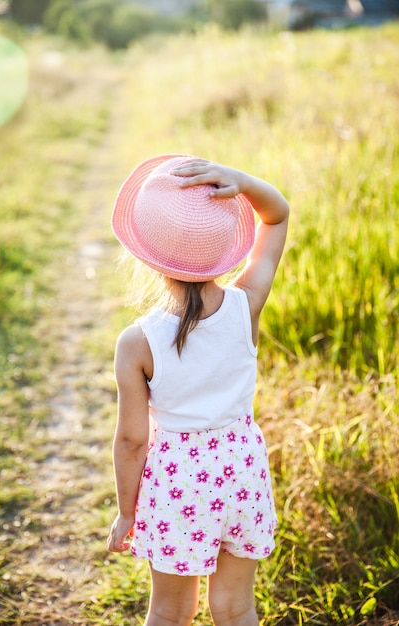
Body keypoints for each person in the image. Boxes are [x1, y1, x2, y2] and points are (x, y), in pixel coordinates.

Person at [107, 154, 289, 626]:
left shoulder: (138, 341)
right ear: (223, 247)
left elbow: (132, 441)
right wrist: (242, 182)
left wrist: (128, 514)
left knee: (169, 611)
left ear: (145, 253)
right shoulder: (245, 304)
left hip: (179, 484)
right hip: (242, 470)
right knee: (235, 607)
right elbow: (278, 214)